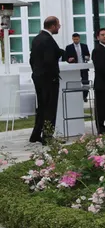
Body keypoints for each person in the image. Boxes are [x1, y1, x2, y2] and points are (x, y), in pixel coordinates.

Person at [28, 16, 62, 144]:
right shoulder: (48, 39)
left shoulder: (37, 38)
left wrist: (36, 72)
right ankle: (47, 136)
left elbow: (32, 59)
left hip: (38, 77)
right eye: (58, 25)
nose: (59, 27)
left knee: (42, 106)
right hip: (48, 78)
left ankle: (36, 134)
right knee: (50, 108)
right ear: (52, 26)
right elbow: (49, 59)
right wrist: (53, 75)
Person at [62, 33, 90, 102]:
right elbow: (65, 57)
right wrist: (68, 59)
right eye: (74, 39)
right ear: (72, 39)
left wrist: (87, 57)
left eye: (77, 39)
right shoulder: (69, 47)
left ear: (79, 39)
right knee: (74, 82)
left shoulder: (84, 46)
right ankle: (75, 97)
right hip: (74, 68)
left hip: (83, 67)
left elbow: (88, 55)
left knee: (85, 82)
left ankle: (84, 96)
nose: (76, 41)